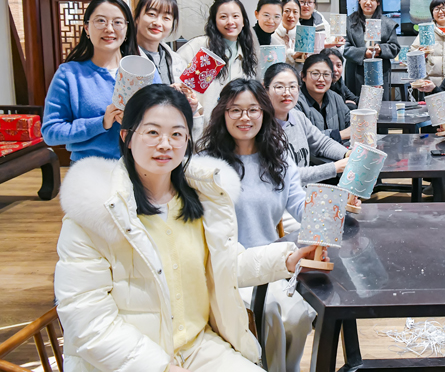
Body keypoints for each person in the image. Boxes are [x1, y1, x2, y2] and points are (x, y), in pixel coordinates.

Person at [54, 84, 319, 372]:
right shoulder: (95, 211)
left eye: (177, 134)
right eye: (152, 132)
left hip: (196, 348)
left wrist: (286, 259)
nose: (165, 144)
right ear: (126, 137)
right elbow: (88, 321)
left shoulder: (200, 197)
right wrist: (161, 367)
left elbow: (226, 263)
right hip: (128, 361)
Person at [196, 79, 313, 372]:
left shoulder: (279, 158)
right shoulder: (205, 164)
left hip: (274, 263)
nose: (244, 118)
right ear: (223, 113)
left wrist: (332, 209)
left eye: (253, 110)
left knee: (299, 316)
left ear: (264, 113)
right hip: (226, 268)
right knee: (270, 314)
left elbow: (300, 205)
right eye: (235, 110)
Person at [42, 0, 148, 162]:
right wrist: (101, 122)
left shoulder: (144, 70)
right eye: (100, 21)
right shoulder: (69, 74)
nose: (109, 29)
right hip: (91, 168)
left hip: (142, 166)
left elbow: (161, 119)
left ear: (127, 29)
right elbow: (51, 133)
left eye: (118, 22)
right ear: (86, 28)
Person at [265, 63, 350, 187]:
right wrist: (335, 167)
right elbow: (284, 175)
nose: (287, 93)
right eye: (279, 87)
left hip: (302, 194)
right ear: (265, 89)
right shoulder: (262, 127)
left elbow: (321, 143)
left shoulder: (297, 116)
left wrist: (346, 154)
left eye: (292, 86)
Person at [134, 0, 204, 139]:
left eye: (166, 17)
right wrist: (165, 95)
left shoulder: (177, 60)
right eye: (151, 14)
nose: (158, 22)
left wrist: (191, 106)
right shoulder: (125, 59)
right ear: (137, 17)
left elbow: (191, 110)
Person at [177, 0, 259, 123]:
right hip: (203, 125)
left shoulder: (248, 52)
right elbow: (178, 84)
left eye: (235, 16)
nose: (230, 22)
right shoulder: (200, 47)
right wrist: (196, 112)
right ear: (214, 21)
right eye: (223, 17)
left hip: (236, 125)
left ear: (243, 21)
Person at [343, 0, 400, 101]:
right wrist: (364, 53)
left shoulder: (387, 23)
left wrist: (380, 49)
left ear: (378, 2)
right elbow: (344, 48)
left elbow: (394, 47)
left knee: (380, 104)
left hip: (379, 71)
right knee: (356, 104)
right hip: (355, 71)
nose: (368, 2)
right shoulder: (348, 22)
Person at [295, 53, 351, 143]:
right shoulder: (295, 103)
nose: (321, 79)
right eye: (315, 73)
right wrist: (339, 135)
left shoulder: (336, 98)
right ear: (303, 76)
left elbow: (352, 123)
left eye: (326, 74)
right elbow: (301, 137)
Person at [410, 0, 445, 86]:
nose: (440, 12)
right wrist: (420, 53)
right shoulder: (425, 32)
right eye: (437, 9)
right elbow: (411, 56)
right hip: (431, 84)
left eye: (443, 8)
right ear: (432, 13)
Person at [271, 0, 306, 66]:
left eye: (295, 12)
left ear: (299, 15)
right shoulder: (272, 35)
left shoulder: (304, 36)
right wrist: (292, 57)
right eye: (287, 11)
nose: (291, 16)